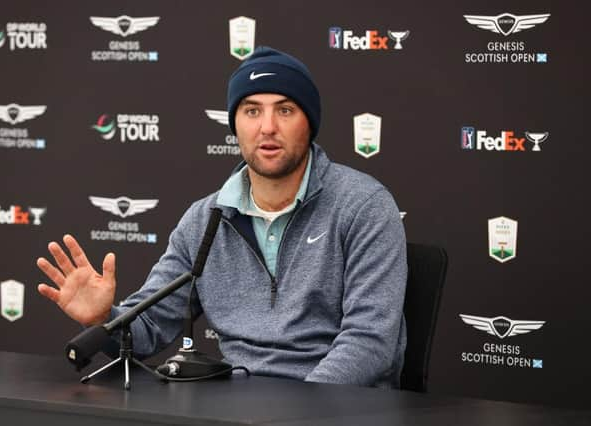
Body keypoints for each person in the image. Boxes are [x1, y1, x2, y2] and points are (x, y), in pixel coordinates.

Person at [37, 46, 407, 387]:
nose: (267, 127)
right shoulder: (205, 220)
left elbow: (369, 343)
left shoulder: (363, 205)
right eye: (251, 111)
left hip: (339, 411)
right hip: (237, 407)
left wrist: (299, 412)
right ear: (235, 126)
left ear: (309, 122)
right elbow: (149, 329)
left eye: (285, 109)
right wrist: (105, 318)